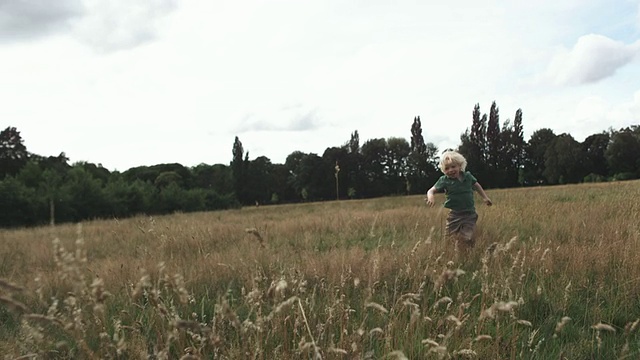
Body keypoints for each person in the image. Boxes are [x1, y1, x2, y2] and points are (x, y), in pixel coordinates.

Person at [425, 150, 492, 251]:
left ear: (460, 166)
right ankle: (450, 253)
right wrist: (430, 196)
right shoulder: (444, 180)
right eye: (447, 168)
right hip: (454, 215)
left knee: (467, 237)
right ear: (443, 170)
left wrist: (485, 197)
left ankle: (468, 251)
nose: (450, 170)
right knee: (448, 238)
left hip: (469, 213)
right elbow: (431, 190)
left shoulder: (468, 177)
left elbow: (477, 185)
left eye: (453, 167)